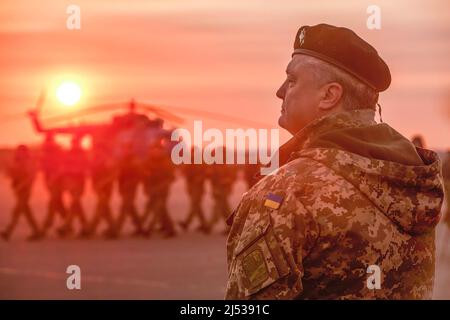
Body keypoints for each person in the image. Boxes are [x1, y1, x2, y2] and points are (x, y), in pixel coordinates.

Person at [225, 24, 444, 299]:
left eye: (292, 80)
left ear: (329, 95)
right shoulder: (412, 178)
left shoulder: (288, 191)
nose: (279, 91)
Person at [1, 145, 41, 241]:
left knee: (18, 211)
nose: (19, 153)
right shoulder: (17, 161)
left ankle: (8, 231)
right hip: (18, 189)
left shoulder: (29, 162)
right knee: (25, 211)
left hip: (24, 190)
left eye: (21, 151)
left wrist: (21, 186)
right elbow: (11, 174)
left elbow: (31, 177)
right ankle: (36, 231)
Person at [143, 140, 176, 238]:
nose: (155, 152)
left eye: (157, 150)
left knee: (159, 208)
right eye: (153, 150)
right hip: (152, 189)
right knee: (160, 210)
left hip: (162, 190)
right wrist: (147, 188)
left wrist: (163, 186)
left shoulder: (166, 162)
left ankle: (149, 229)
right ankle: (169, 229)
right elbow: (145, 177)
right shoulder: (148, 162)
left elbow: (171, 177)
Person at [58, 136, 90, 237]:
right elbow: (64, 167)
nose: (75, 145)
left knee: (75, 202)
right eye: (74, 143)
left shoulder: (83, 154)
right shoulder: (69, 154)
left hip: (79, 180)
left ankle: (67, 225)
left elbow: (86, 168)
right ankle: (85, 227)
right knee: (76, 204)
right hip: (71, 180)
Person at [88, 140, 118, 238]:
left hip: (105, 188)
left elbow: (113, 174)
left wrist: (103, 183)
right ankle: (113, 229)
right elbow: (93, 175)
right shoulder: (95, 159)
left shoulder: (108, 160)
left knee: (102, 207)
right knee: (104, 208)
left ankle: (91, 229)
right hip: (98, 187)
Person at [115, 142, 145, 236]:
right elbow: (119, 176)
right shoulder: (122, 160)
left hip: (131, 187)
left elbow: (139, 175)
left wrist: (132, 184)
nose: (126, 151)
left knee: (124, 208)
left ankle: (115, 229)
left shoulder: (135, 160)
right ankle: (140, 228)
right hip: (123, 187)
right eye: (124, 149)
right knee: (131, 208)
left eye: (128, 149)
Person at [41, 133, 67, 236]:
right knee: (58, 204)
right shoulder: (46, 152)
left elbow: (62, 167)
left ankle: (46, 225)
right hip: (50, 181)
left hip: (56, 181)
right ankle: (68, 225)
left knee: (53, 203)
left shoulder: (57, 152)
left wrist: (54, 178)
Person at [179, 146, 209, 233]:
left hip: (198, 187)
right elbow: (184, 173)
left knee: (195, 204)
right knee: (197, 206)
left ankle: (187, 223)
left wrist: (200, 178)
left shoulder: (202, 162)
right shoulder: (188, 162)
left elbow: (206, 174)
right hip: (191, 186)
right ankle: (204, 224)